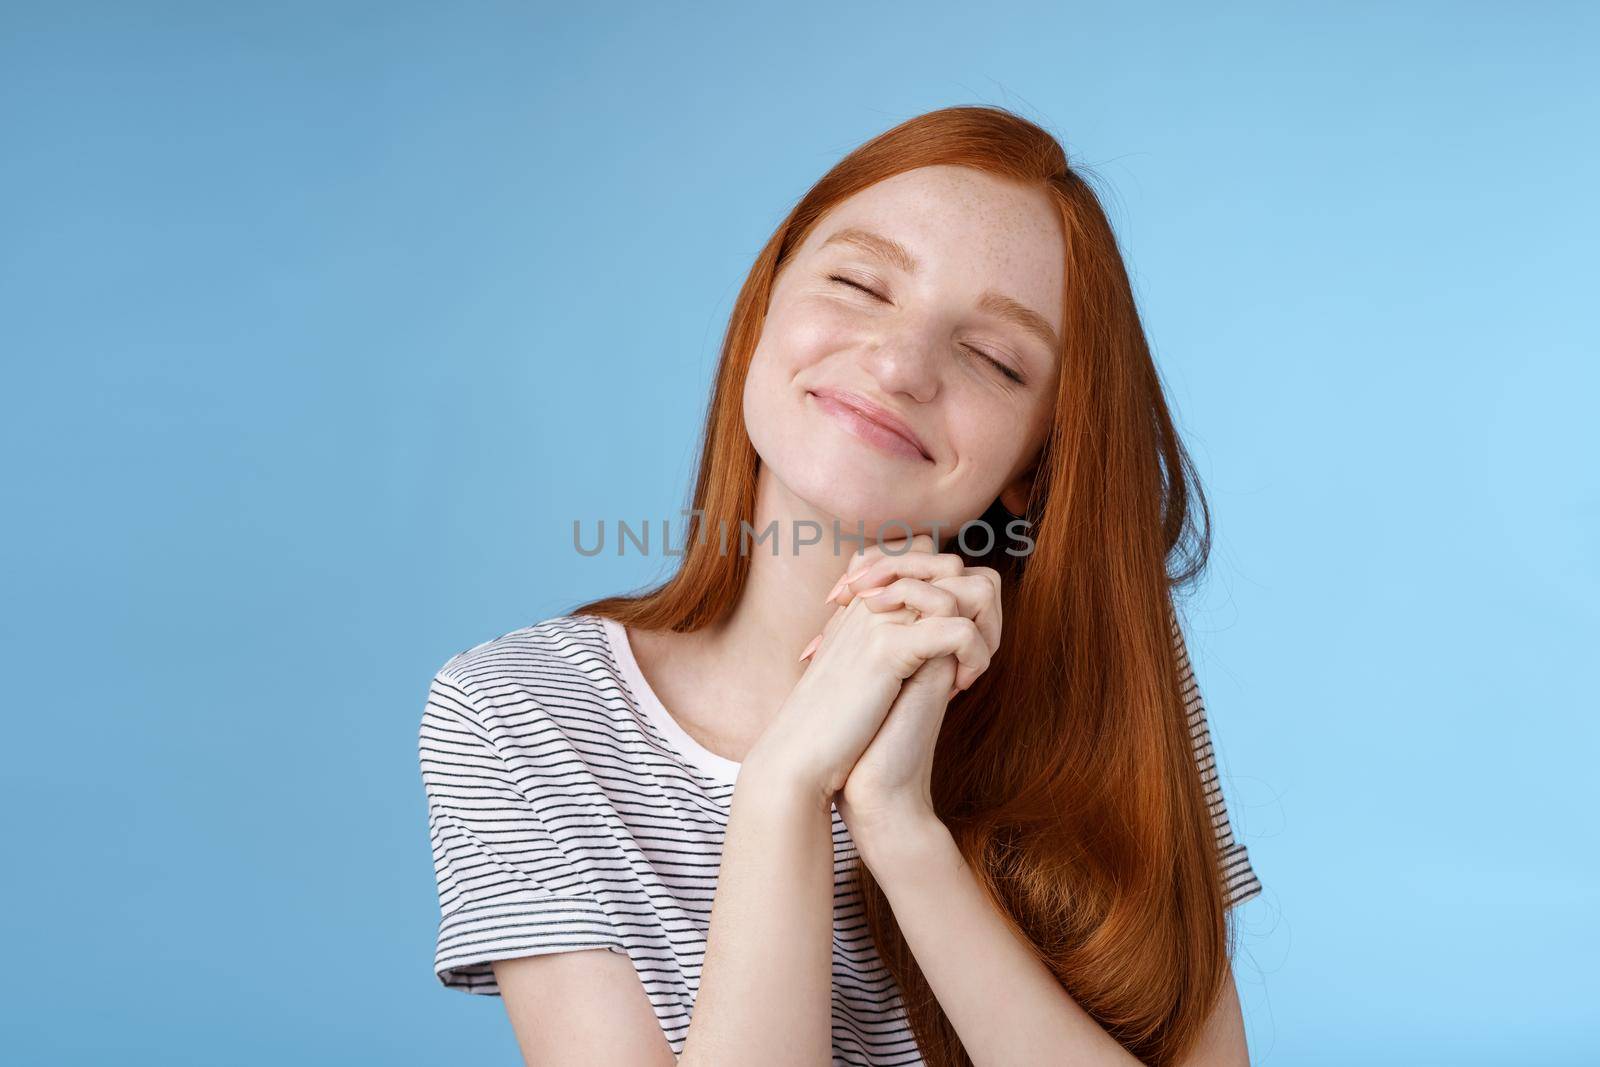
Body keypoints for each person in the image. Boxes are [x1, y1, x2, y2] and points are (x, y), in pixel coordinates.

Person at [418, 105, 1265, 1067]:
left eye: (993, 358)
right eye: (862, 285)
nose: (901, 365)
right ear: (762, 315)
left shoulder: (1099, 687)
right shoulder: (521, 713)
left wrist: (903, 835)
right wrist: (783, 789)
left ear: (1037, 461)